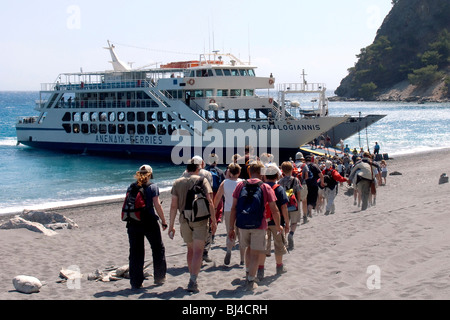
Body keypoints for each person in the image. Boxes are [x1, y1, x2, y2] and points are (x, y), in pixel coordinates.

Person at [228, 161, 282, 291]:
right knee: (255, 252)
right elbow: (274, 209)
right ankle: (251, 280)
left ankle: (247, 272)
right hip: (259, 224)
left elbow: (233, 208)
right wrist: (278, 225)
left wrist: (231, 227)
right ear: (262, 173)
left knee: (248, 249)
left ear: (249, 172)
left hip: (242, 223)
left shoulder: (240, 185)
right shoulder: (265, 187)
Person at [169, 160, 216, 292]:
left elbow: (173, 206)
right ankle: (193, 280)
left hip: (184, 219)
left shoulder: (177, 182)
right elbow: (210, 202)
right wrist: (214, 220)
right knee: (198, 251)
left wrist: (171, 225)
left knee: (190, 250)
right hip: (200, 220)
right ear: (198, 168)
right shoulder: (203, 180)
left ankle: (192, 276)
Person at [126, 165, 167, 290]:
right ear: (150, 174)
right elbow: (157, 205)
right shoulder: (152, 187)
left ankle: (136, 282)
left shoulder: (131, 186)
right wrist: (164, 221)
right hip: (149, 221)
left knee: (135, 252)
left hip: (133, 222)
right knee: (157, 248)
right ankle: (159, 277)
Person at [258, 163, 289, 281]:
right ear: (277, 176)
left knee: (263, 246)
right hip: (277, 222)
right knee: (278, 245)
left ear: (265, 176)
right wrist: (286, 222)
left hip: (263, 221)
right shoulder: (279, 188)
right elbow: (283, 207)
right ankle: (279, 267)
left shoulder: (261, 188)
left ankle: (261, 269)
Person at [182, 155, 214, 262]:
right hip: (203, 205)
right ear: (201, 164)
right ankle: (204, 252)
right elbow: (210, 191)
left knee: (190, 229)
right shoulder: (206, 174)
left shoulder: (184, 173)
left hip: (187, 205)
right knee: (206, 230)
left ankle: (193, 253)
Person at [213, 163, 245, 265]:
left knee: (230, 231)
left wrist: (214, 209)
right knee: (241, 234)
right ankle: (242, 259)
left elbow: (218, 197)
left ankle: (229, 250)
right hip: (240, 210)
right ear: (239, 172)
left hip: (228, 210)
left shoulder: (224, 182)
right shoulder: (243, 183)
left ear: (229, 172)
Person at [279, 161, 302, 250]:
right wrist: (298, 201)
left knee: (285, 222)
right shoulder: (295, 180)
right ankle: (291, 234)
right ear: (292, 169)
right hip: (293, 203)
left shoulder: (280, 181)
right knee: (294, 221)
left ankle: (284, 239)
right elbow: (298, 191)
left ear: (283, 171)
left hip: (284, 204)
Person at [293, 152, 309, 224]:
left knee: (296, 202)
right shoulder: (304, 165)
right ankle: (305, 217)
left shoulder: (292, 165)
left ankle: (296, 218)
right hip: (302, 184)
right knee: (304, 201)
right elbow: (306, 176)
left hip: (293, 186)